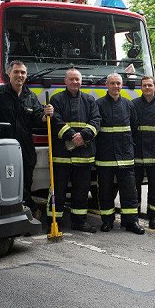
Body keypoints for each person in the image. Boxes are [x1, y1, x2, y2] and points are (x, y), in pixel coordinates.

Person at [0, 60, 54, 217]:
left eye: (22, 73)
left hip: (24, 145)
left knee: (26, 178)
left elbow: (37, 117)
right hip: (2, 145)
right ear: (9, 74)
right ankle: (27, 210)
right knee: (8, 179)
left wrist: (45, 115)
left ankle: (23, 209)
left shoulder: (30, 96)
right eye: (16, 72)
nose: (19, 75)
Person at [48, 68, 100, 232]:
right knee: (58, 190)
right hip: (61, 156)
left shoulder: (89, 100)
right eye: (71, 79)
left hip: (83, 156)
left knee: (81, 191)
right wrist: (71, 135)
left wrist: (83, 136)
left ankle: (79, 222)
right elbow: (55, 120)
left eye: (77, 79)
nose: (75, 82)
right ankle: (54, 221)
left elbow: (96, 120)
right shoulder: (56, 100)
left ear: (81, 81)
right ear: (65, 81)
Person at [95, 73, 144, 234]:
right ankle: (107, 221)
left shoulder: (129, 105)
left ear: (121, 85)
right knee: (105, 191)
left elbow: (134, 128)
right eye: (113, 83)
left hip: (125, 156)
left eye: (118, 83)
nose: (116, 86)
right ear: (107, 85)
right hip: (105, 158)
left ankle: (131, 222)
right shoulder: (99, 104)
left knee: (129, 192)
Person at [133, 76, 155, 229]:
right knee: (135, 188)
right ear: (141, 88)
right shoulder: (133, 105)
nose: (147, 88)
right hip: (138, 153)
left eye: (150, 85)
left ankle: (154, 217)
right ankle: (134, 217)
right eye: (144, 85)